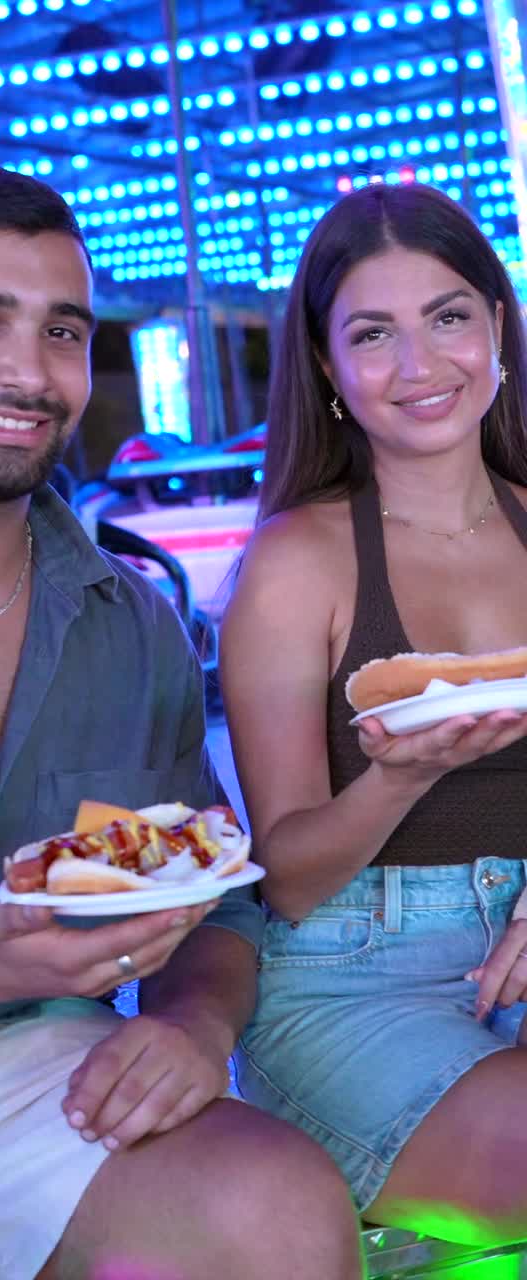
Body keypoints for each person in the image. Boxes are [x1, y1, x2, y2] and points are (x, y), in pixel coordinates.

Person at [0, 165, 364, 1280]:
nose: (29, 369)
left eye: (62, 329)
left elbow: (213, 895)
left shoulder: (136, 619)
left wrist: (195, 1026)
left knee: (286, 1214)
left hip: (37, 1072)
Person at [220, 180, 527, 1248]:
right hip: (354, 970)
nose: (421, 364)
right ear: (328, 367)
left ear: (496, 325)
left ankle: (424, 1239)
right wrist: (404, 772)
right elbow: (291, 873)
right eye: (373, 333)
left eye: (447, 316)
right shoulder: (297, 561)